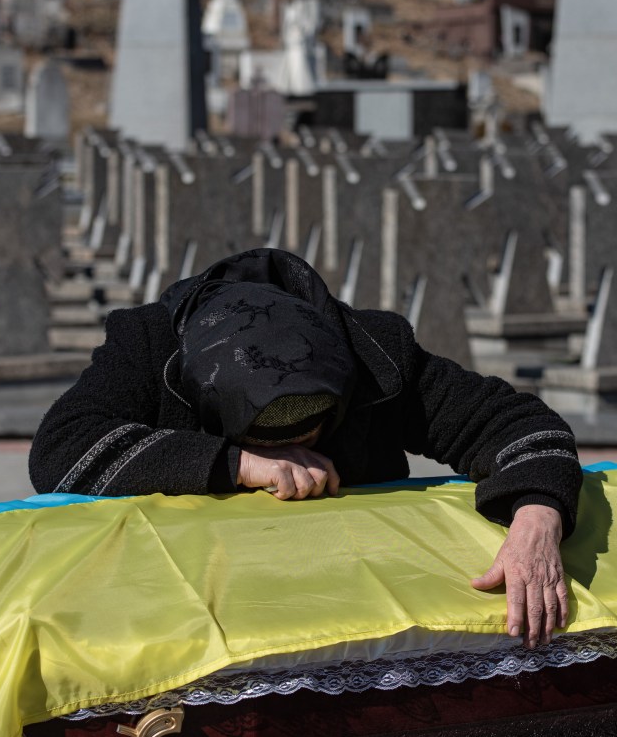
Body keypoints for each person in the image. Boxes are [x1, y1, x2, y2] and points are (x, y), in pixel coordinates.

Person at [30, 248, 583, 647]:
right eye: (273, 437)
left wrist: (537, 516)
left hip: (353, 616)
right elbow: (61, 451)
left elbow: (518, 424)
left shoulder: (372, 352)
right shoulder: (149, 346)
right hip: (184, 615)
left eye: (315, 430)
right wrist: (238, 464)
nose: (301, 451)